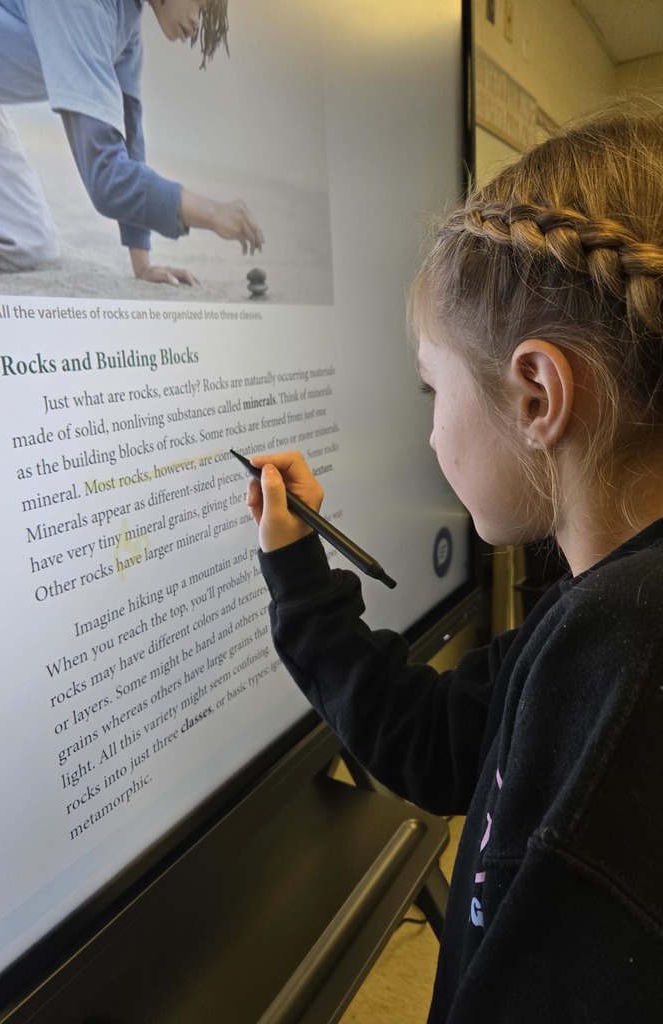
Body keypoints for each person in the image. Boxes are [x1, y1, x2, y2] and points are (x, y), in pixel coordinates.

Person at [245, 103, 663, 1022]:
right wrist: (299, 573)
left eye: (434, 390)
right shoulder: (593, 622)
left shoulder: (628, 668)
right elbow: (444, 746)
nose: (431, 432)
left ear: (537, 394)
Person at [0, 0, 264, 285]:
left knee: (27, 245)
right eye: (200, 4)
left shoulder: (126, 23)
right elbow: (106, 177)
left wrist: (143, 264)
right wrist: (211, 212)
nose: (197, 20)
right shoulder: (82, 7)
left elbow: (129, 143)